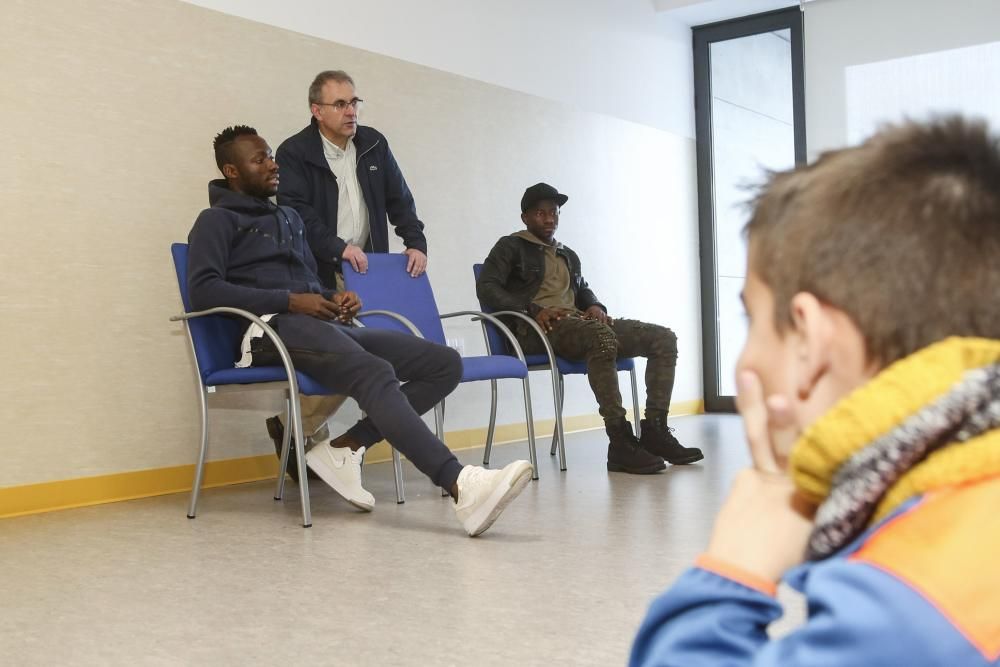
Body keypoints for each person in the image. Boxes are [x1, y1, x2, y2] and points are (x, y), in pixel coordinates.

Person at [630, 117, 1000, 665]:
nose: (746, 358)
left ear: (809, 338)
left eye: (751, 320)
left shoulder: (910, 602)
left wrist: (733, 569)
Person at [187, 125, 532, 537]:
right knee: (374, 371)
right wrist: (292, 301)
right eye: (259, 159)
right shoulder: (215, 220)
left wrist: (334, 300)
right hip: (268, 333)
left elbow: (305, 281)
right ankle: (461, 485)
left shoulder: (289, 217)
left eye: (269, 155)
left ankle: (345, 447)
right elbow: (203, 289)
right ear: (232, 171)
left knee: (442, 364)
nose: (272, 163)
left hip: (318, 324)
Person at [267, 70, 431, 475]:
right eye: (340, 104)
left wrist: (414, 240)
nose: (350, 111)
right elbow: (296, 214)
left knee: (374, 354)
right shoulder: (294, 152)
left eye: (354, 102)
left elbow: (400, 198)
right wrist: (338, 248)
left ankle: (301, 430)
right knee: (349, 357)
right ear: (316, 110)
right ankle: (309, 435)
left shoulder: (373, 143)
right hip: (319, 270)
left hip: (368, 269)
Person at [477, 183, 704, 475]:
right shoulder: (510, 246)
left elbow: (582, 290)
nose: (549, 219)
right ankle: (619, 441)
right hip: (535, 330)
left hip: (577, 324)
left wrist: (596, 306)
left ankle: (655, 431)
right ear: (525, 217)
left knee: (662, 338)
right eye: (540, 213)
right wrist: (533, 309)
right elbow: (487, 287)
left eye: (554, 213)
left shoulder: (567, 254)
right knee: (601, 338)